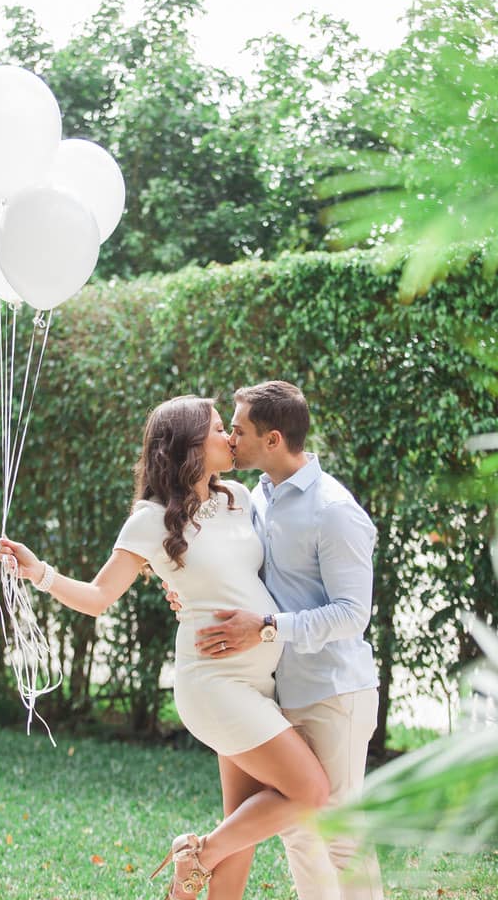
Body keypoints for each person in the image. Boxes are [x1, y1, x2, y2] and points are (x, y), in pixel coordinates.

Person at [0, 395, 329, 900]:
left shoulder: (239, 496)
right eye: (220, 430)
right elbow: (98, 596)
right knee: (312, 792)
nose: (230, 438)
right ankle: (197, 855)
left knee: (243, 829)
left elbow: (248, 574)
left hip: (258, 682)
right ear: (191, 446)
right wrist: (39, 572)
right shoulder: (149, 520)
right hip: (214, 685)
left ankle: (200, 865)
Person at [170, 380, 384, 900]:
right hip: (276, 690)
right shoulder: (253, 498)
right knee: (296, 833)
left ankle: (202, 853)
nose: (229, 438)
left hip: (334, 691)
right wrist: (186, 594)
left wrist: (266, 626)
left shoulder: (333, 510)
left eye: (238, 430)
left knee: (339, 836)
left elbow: (353, 615)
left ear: (273, 439)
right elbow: (239, 573)